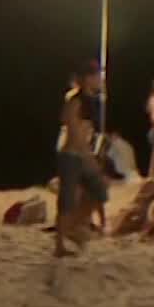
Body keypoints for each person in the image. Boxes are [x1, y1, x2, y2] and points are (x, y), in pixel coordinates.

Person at [54, 68, 108, 257]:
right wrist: (89, 157)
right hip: (71, 155)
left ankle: (74, 227)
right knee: (67, 200)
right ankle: (60, 244)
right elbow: (73, 131)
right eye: (98, 77)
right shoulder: (75, 100)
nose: (101, 80)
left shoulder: (90, 101)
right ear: (88, 78)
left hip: (81, 154)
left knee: (99, 191)